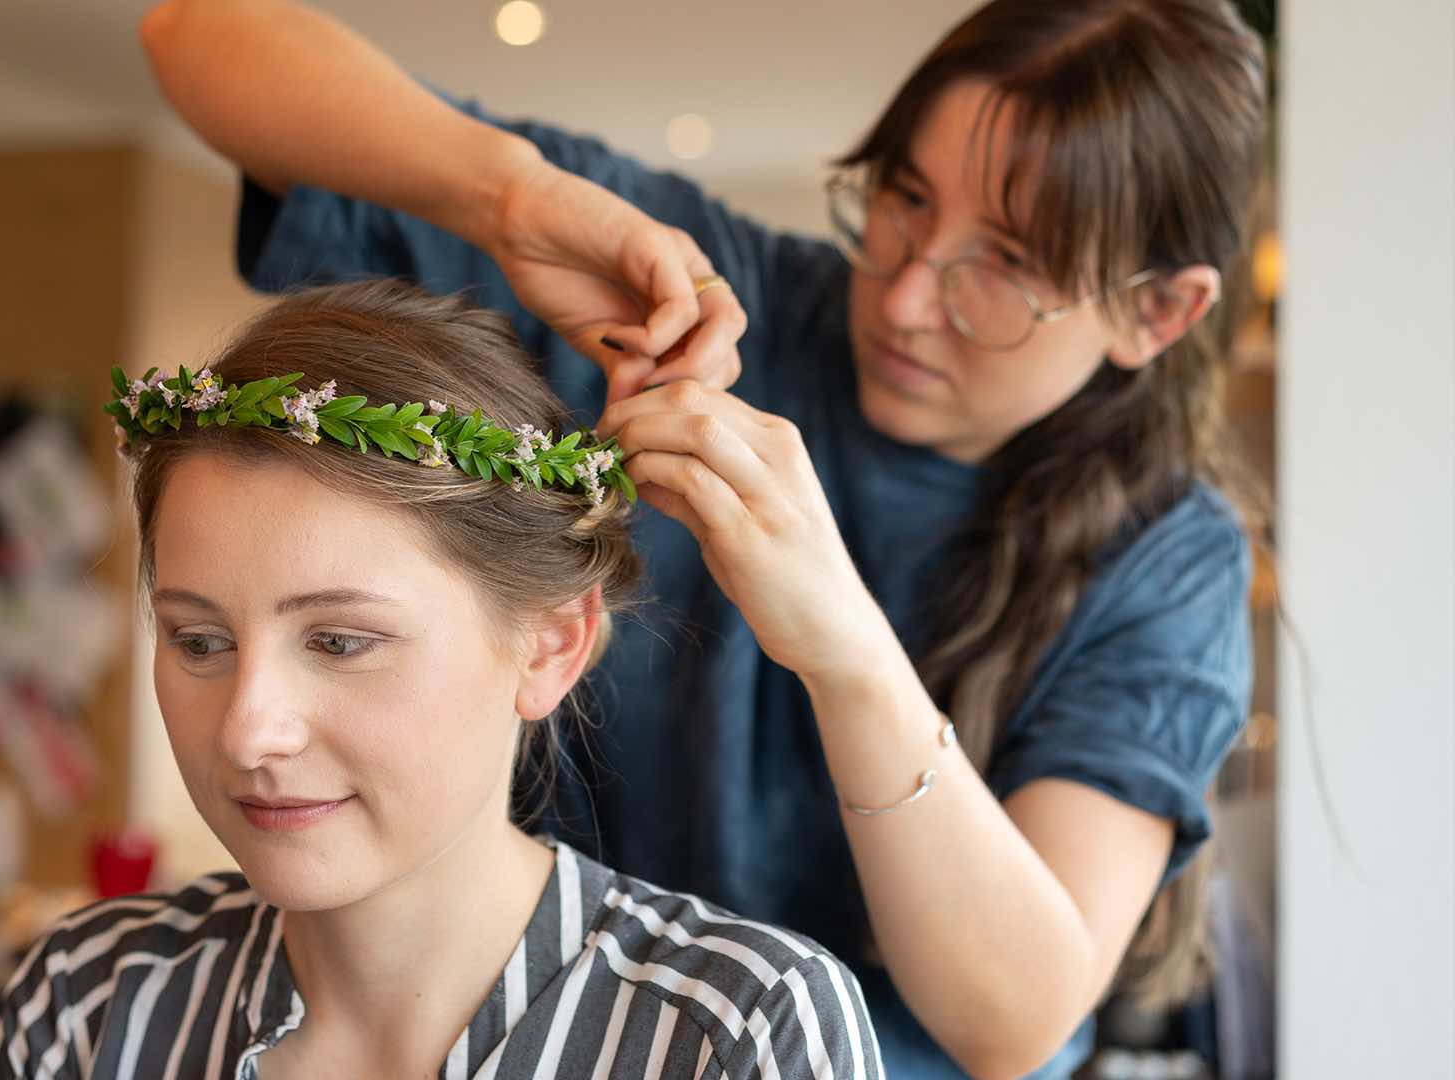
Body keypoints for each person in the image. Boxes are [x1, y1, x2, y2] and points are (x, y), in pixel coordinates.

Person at [138, 1, 1267, 1076]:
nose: (910, 295)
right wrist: (510, 199)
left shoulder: (1166, 556)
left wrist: (846, 651)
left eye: (1008, 266)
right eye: (905, 201)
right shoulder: (695, 308)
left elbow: (1011, 1023)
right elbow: (197, 39)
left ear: (1157, 312)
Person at [0, 281, 884, 1079]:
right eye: (200, 641)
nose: (249, 732)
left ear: (549, 648)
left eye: (339, 642)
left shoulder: (740, 1034)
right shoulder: (89, 1005)